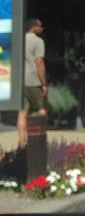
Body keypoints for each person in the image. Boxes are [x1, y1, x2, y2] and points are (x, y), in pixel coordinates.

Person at [17, 18, 47, 148]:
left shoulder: (19, 39)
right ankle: (38, 141)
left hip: (19, 80)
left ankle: (22, 142)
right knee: (42, 109)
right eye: (40, 26)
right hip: (33, 80)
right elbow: (39, 62)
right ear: (33, 27)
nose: (42, 28)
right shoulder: (38, 41)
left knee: (22, 112)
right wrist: (43, 83)